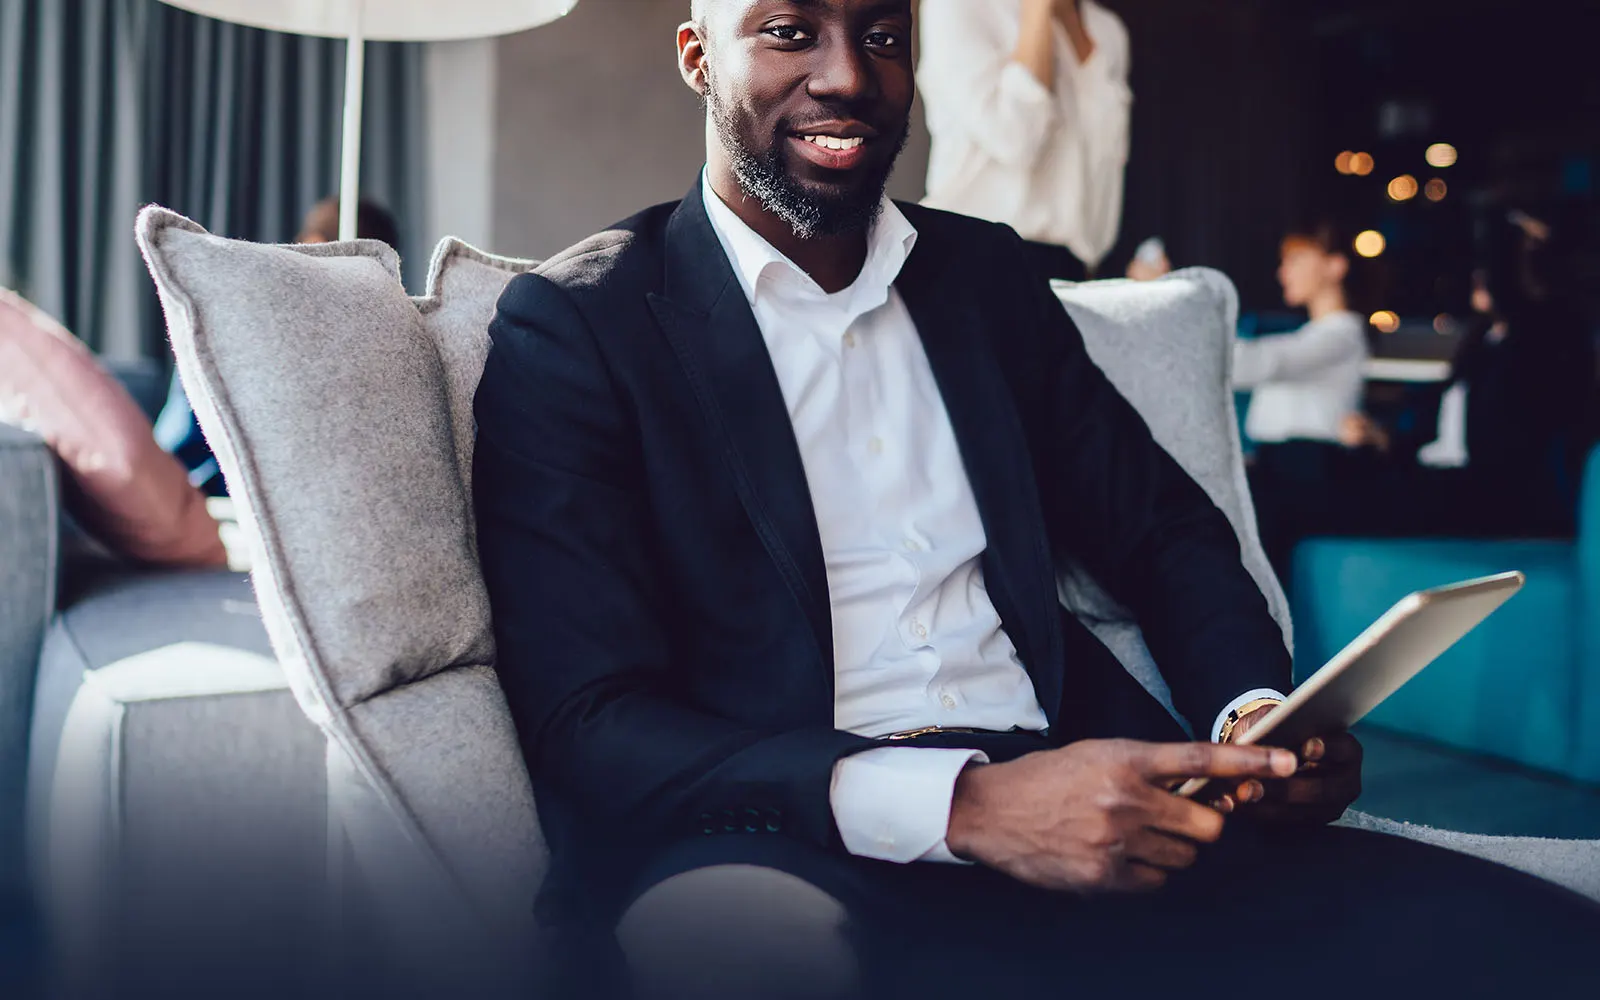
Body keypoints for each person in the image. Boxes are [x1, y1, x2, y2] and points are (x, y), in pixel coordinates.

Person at [472, 3, 1600, 998]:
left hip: (1104, 799)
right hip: (778, 838)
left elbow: (1160, 527)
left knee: (1534, 944)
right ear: (697, 58)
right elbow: (589, 721)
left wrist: (1252, 719)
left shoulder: (983, 278)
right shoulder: (579, 326)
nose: (848, 76)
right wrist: (966, 806)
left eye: (880, 34)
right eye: (787, 31)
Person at [1342, 213, 1595, 537]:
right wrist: (1384, 438)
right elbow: (1439, 422)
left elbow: (1515, 447)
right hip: (1441, 479)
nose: (1478, 276)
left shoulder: (1546, 344)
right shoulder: (1483, 342)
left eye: (1494, 265)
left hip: (1486, 497)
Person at [153, 197, 401, 495]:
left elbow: (174, 446)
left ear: (311, 243)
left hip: (216, 497)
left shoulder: (235, 322)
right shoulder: (387, 348)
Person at [917, 0, 1131, 282]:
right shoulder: (957, 6)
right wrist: (1038, 9)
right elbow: (1015, 137)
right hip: (973, 260)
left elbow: (1105, 180)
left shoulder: (1108, 31)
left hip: (1073, 275)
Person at [1236, 222, 1371, 581]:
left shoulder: (1342, 335)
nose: (1283, 272)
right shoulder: (1312, 336)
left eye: (1295, 259)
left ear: (1334, 266)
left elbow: (1255, 364)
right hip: (1277, 472)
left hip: (1304, 476)